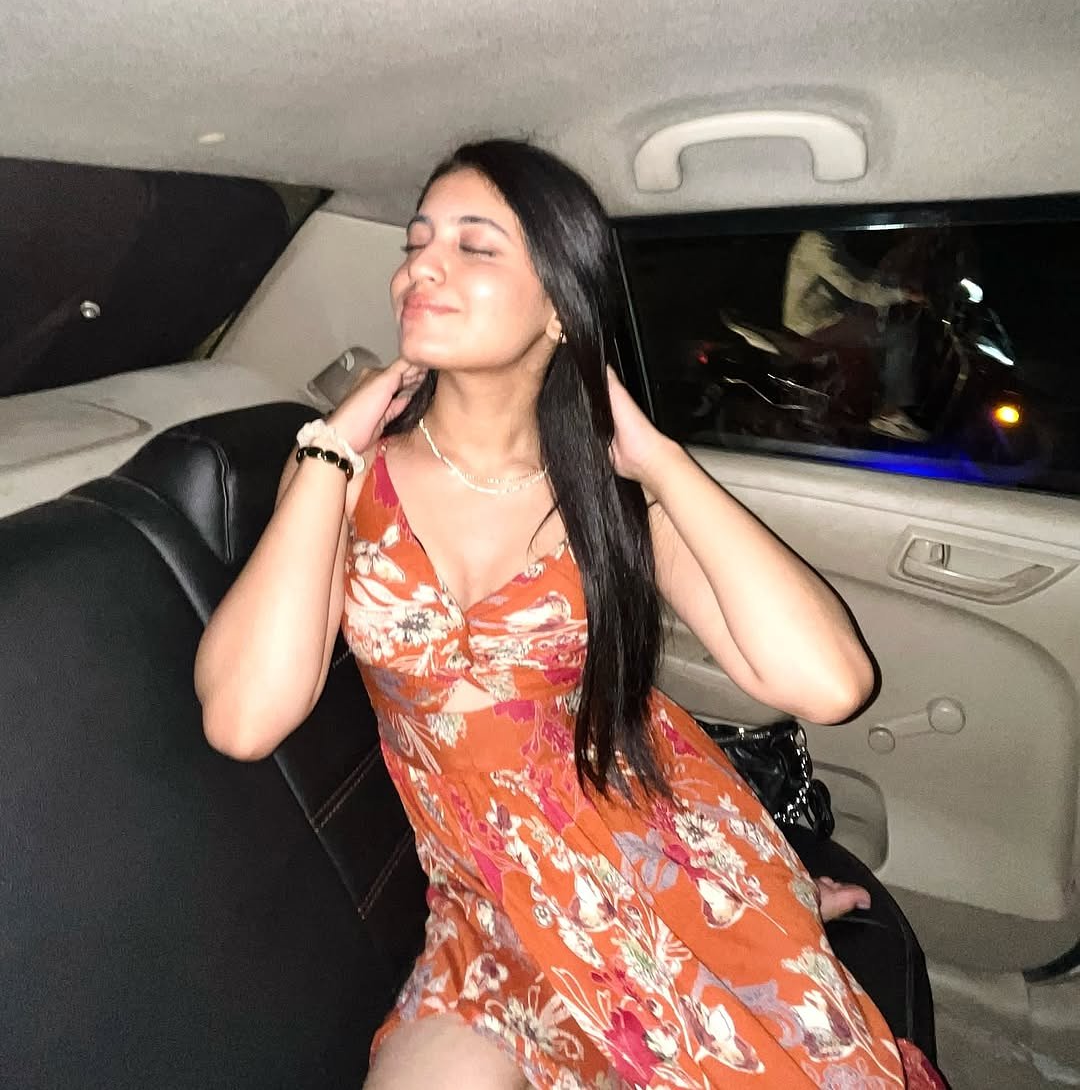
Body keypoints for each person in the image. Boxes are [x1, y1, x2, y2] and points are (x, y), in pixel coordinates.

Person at [194, 141, 947, 1088]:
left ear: (559, 304)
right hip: (486, 903)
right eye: (416, 242)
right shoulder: (345, 477)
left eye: (474, 246)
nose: (421, 266)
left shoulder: (607, 494)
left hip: (663, 857)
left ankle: (768, 902)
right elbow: (243, 719)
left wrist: (659, 459)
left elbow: (831, 684)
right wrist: (327, 450)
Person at [783, 230, 928, 441]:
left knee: (873, 326)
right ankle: (889, 413)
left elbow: (856, 272)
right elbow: (853, 287)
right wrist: (902, 294)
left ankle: (869, 398)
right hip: (814, 323)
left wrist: (893, 282)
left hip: (822, 317)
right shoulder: (816, 242)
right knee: (900, 336)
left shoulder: (827, 238)